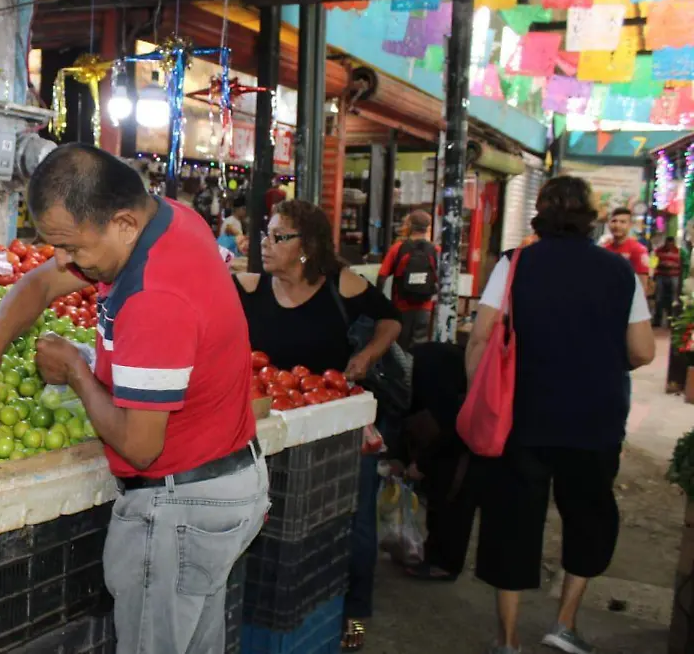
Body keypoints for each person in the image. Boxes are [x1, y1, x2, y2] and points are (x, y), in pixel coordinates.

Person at [0, 144, 268, 653]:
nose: (65, 261)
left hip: (181, 508)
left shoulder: (154, 298)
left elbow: (141, 447)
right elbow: (42, 282)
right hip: (223, 486)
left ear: (121, 223)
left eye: (72, 247)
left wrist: (76, 371)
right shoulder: (167, 218)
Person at [467, 176, 655, 654]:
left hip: (520, 419)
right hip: (594, 419)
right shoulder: (619, 271)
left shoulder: (515, 264)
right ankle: (564, 624)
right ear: (591, 217)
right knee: (588, 517)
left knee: (513, 521)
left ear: (541, 213)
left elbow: (481, 336)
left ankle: (507, 639)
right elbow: (642, 350)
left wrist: (479, 396)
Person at [232, 199, 401, 651]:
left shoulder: (340, 286)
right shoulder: (247, 289)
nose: (265, 244)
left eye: (278, 237)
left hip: (337, 431)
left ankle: (357, 622)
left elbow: (391, 319)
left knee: (357, 530)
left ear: (305, 248)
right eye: (266, 234)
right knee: (282, 534)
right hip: (271, 433)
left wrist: (366, 357)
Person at [400, 341, 475, 582]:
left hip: (468, 424)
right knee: (439, 483)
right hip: (454, 417)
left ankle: (444, 562)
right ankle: (433, 553)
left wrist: (422, 465)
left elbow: (453, 429)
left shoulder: (430, 377)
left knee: (453, 486)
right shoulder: (409, 367)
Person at [377, 210, 438, 350]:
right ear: (428, 228)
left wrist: (379, 302)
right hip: (426, 307)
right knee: (420, 346)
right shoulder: (435, 250)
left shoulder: (398, 249)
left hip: (401, 306)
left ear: (409, 225)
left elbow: (382, 277)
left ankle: (403, 371)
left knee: (400, 347)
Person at [603, 206, 650, 286]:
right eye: (614, 221)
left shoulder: (638, 250)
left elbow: (642, 284)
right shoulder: (604, 249)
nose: (617, 225)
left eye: (622, 222)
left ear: (630, 225)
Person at [654, 235, 682, 328]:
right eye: (667, 243)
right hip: (661, 276)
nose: (669, 245)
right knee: (659, 297)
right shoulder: (658, 251)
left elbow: (682, 265)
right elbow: (653, 263)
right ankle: (657, 320)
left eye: (671, 244)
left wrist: (671, 265)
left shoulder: (679, 252)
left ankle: (672, 320)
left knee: (673, 298)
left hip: (674, 276)